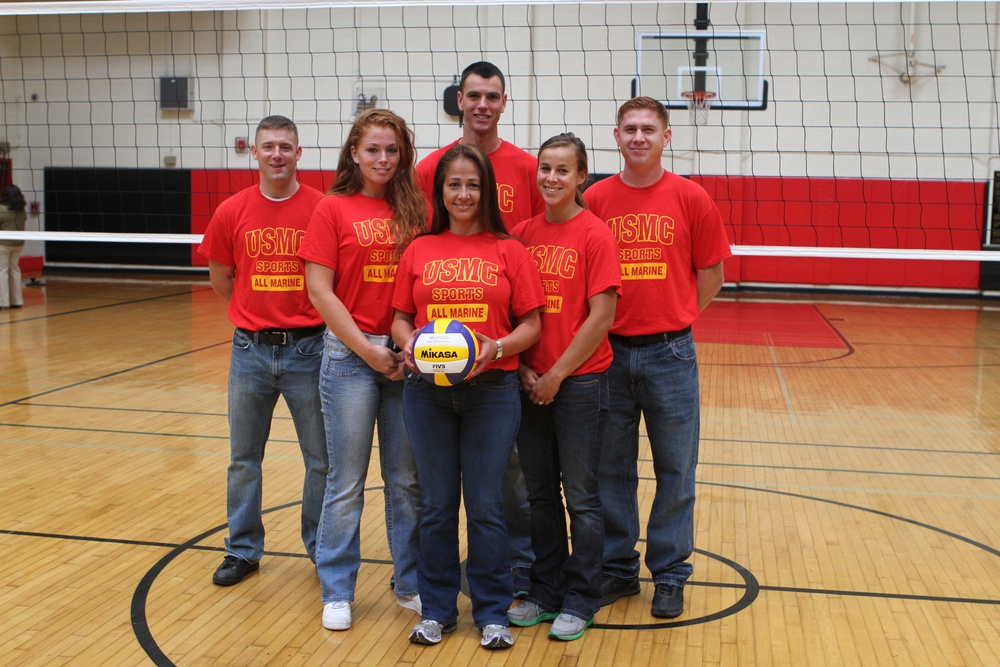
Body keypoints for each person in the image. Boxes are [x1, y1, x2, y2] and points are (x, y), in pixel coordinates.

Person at [392, 144, 544, 650]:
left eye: (472, 185)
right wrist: (408, 342)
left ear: (487, 192)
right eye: (453, 184)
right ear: (440, 191)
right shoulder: (418, 248)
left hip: (493, 391)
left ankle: (492, 613)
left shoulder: (509, 250)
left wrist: (495, 347)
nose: (462, 193)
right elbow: (398, 316)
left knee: (486, 507)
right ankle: (436, 610)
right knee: (436, 506)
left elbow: (531, 325)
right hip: (427, 394)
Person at [584, 96, 731, 619]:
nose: (639, 137)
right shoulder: (595, 198)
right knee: (611, 470)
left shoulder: (692, 198)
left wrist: (678, 314)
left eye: (649, 129)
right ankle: (619, 571)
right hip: (608, 353)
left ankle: (669, 574)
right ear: (617, 136)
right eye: (630, 129)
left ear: (666, 137)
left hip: (671, 352)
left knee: (675, 469)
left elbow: (710, 271)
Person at [416, 60, 543, 595]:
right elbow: (424, 244)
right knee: (439, 491)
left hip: (508, 341)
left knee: (507, 478)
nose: (483, 105)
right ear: (459, 101)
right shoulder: (429, 169)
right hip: (441, 356)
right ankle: (440, 588)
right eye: (474, 95)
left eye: (493, 96)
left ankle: (516, 569)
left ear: (504, 102)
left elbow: (538, 241)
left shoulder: (527, 167)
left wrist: (520, 346)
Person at [298, 109, 425, 631]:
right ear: (354, 152)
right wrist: (368, 350)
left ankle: (410, 581)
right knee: (345, 481)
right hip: (350, 357)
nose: (382, 159)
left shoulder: (416, 211)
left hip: (407, 355)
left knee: (405, 481)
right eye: (373, 149)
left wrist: (410, 347)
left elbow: (425, 282)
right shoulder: (332, 208)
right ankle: (337, 588)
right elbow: (319, 291)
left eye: (392, 150)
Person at [198, 115, 328, 587]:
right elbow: (220, 278)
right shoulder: (232, 211)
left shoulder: (321, 207)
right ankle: (243, 549)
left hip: (309, 350)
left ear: (299, 153)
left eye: (286, 147)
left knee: (321, 459)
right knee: (243, 457)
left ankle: (319, 548)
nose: (277, 154)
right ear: (253, 153)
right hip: (249, 351)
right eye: (268, 146)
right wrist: (254, 314)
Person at [506, 133, 621, 641]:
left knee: (581, 497)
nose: (551, 178)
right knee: (539, 496)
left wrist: (556, 374)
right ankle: (544, 590)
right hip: (530, 382)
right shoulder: (522, 234)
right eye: (545, 169)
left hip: (580, 383)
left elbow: (601, 316)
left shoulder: (595, 234)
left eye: (562, 170)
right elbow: (512, 311)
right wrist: (524, 369)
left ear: (581, 177)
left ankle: (581, 597)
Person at [0, 184, 28, 310]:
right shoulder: (22, 211)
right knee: (15, 270)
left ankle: (3, 302)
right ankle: (17, 301)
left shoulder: (2, 209)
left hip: (3, 244)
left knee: (2, 271)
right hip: (19, 244)